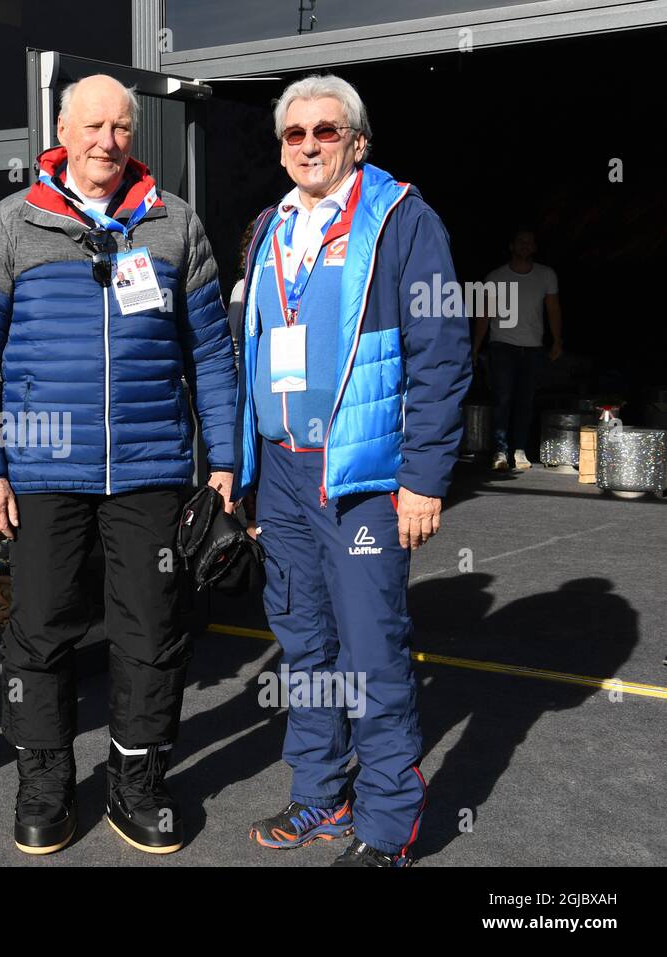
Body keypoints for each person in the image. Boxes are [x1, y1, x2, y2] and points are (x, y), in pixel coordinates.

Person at [0, 75, 238, 856]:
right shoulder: (10, 223)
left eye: (120, 127)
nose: (106, 141)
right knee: (38, 635)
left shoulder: (174, 223)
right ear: (60, 128)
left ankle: (135, 781)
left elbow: (210, 351)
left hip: (150, 473)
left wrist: (224, 461)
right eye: (92, 125)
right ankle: (45, 781)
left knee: (152, 634)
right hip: (41, 475)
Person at [234, 75, 471, 866]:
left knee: (369, 652)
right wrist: (245, 468)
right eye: (293, 134)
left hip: (363, 478)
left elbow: (441, 355)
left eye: (325, 132)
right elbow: (256, 348)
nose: (307, 145)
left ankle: (387, 826)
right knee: (304, 645)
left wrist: (426, 475)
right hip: (284, 471)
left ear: (357, 142)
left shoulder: (403, 219)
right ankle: (320, 796)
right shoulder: (270, 228)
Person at [472, 228, 563, 470]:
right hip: (502, 345)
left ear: (534, 248)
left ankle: (520, 450)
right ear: (511, 246)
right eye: (521, 242)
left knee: (526, 401)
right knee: (502, 398)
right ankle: (500, 451)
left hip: (533, 347)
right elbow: (484, 314)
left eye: (529, 242)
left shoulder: (546, 275)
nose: (525, 246)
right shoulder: (495, 277)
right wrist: (475, 347)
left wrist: (557, 340)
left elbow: (553, 309)